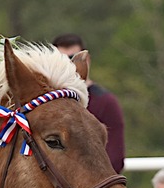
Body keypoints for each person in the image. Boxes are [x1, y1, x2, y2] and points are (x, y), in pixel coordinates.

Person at [53, 34, 126, 173]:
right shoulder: (47, 104)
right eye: (62, 60)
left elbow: (115, 159)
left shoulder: (106, 102)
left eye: (74, 58)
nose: (70, 64)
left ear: (87, 60)